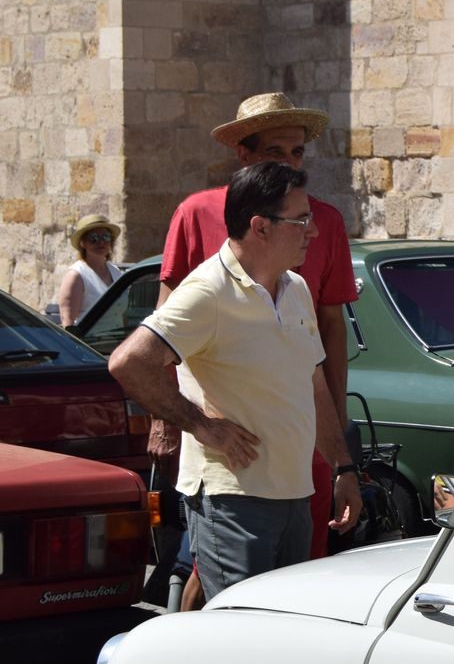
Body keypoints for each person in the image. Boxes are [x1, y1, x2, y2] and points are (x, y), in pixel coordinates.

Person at [108, 162, 360, 598]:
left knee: (282, 632)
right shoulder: (208, 291)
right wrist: (205, 428)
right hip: (233, 501)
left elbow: (313, 384)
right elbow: (129, 362)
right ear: (260, 227)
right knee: (237, 639)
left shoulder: (296, 287)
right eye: (301, 220)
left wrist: (344, 468)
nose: (313, 231)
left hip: (294, 493)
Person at [56, 215, 124, 326]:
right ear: (82, 243)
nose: (101, 242)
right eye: (94, 238)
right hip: (90, 342)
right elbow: (68, 322)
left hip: (118, 341)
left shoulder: (115, 272)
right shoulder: (76, 275)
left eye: (106, 237)